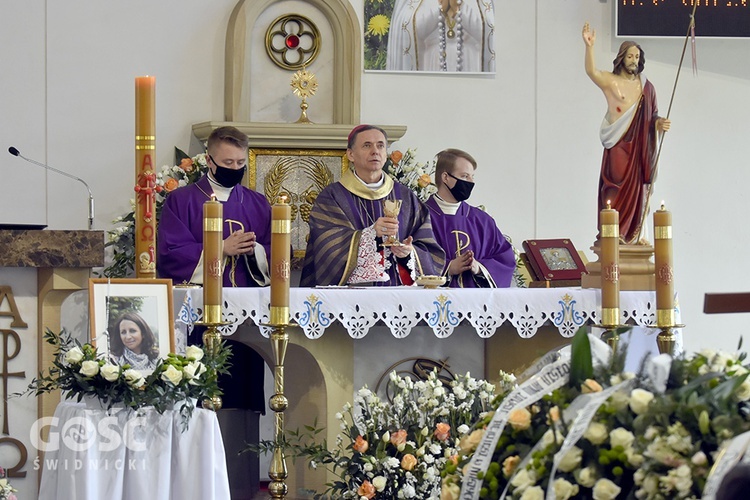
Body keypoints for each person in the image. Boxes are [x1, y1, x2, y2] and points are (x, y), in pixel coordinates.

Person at [300, 125, 445, 286]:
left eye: (380, 146)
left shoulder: (406, 196)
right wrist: (369, 235)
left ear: (386, 154)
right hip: (352, 297)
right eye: (367, 145)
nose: (375, 151)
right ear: (351, 154)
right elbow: (325, 246)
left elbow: (429, 248)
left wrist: (409, 253)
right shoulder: (333, 196)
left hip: (399, 294)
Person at [582, 23, 671, 244]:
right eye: (630, 56)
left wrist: (659, 124)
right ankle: (612, 233)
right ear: (622, 57)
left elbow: (653, 116)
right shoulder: (611, 81)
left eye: (637, 57)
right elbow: (591, 72)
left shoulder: (646, 87)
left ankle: (634, 233)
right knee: (614, 186)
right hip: (618, 144)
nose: (634, 60)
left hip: (639, 147)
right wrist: (589, 47)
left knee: (638, 189)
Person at [157, 126, 272, 287]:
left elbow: (280, 253)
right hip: (201, 300)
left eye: (241, 162)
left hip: (248, 299)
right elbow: (169, 256)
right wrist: (220, 248)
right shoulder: (181, 201)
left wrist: (254, 251)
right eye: (228, 162)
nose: (235, 169)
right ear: (209, 160)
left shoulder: (258, 203)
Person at [425, 148, 515, 288]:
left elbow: (505, 258)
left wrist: (479, 267)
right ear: (445, 177)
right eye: (465, 176)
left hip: (476, 304)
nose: (470, 182)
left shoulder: (481, 221)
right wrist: (448, 267)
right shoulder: (421, 217)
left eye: (472, 177)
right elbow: (411, 258)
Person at [386, 0, 495, 72]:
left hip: (469, 62)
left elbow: (491, 31)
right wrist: (440, 9)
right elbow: (409, 29)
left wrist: (459, 9)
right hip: (432, 63)